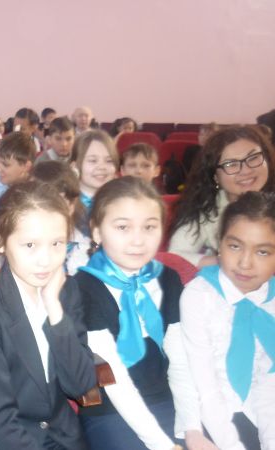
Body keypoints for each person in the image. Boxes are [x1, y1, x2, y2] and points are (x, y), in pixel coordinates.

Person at [75, 176, 209, 450]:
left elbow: (180, 361)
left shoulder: (168, 279)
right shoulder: (83, 288)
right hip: (112, 410)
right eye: (123, 227)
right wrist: (163, 445)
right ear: (97, 232)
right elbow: (117, 382)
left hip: (168, 398)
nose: (138, 240)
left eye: (149, 227)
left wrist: (192, 429)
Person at [0, 180, 97, 449]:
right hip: (14, 441)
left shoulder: (67, 292)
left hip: (66, 436)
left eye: (57, 243)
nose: (45, 259)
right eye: (30, 245)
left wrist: (55, 312)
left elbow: (80, 384)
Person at [180, 191, 275, 450]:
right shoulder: (199, 296)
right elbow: (205, 385)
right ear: (219, 244)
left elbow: (269, 383)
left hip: (262, 409)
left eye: (263, 252)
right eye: (235, 246)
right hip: (211, 413)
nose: (245, 263)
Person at [169, 125, 275, 266]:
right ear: (215, 176)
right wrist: (223, 262)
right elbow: (175, 255)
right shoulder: (207, 207)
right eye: (231, 164)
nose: (246, 170)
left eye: (253, 158)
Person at [31, 161, 90, 274]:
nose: (46, 210)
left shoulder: (83, 249)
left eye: (56, 203)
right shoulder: (18, 242)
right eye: (39, 201)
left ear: (71, 205)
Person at [71, 129, 119, 236]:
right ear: (75, 166)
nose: (102, 167)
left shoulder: (122, 201)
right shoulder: (65, 204)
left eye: (109, 161)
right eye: (93, 160)